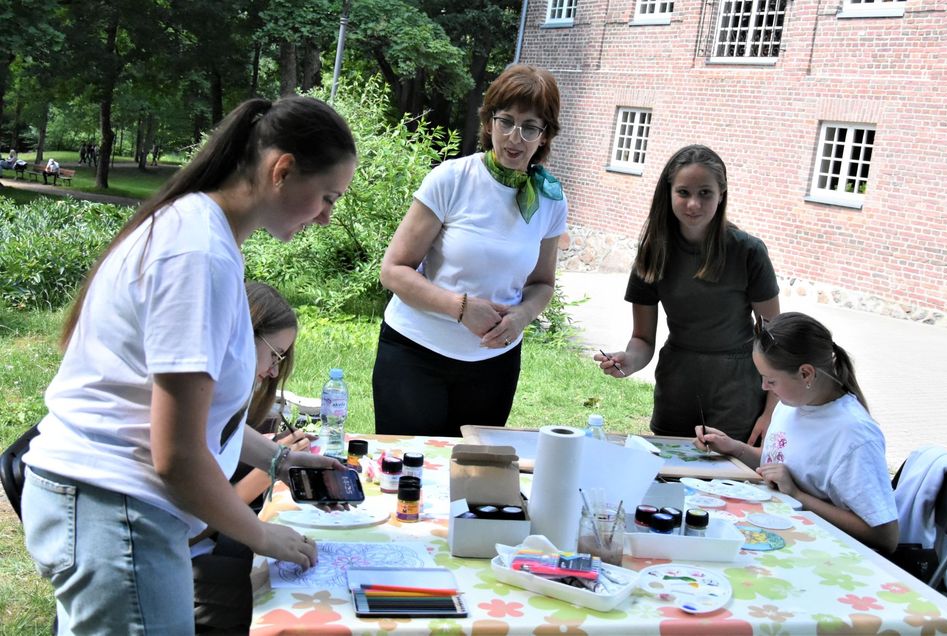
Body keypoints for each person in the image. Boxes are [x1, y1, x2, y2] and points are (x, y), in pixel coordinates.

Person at [21, 95, 357, 634]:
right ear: (282, 170)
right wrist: (261, 534)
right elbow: (176, 454)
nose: (326, 216)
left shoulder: (202, 234)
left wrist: (281, 461)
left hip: (112, 511)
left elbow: (201, 420)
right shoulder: (197, 253)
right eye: (326, 197)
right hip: (117, 513)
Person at [373, 63, 568, 437]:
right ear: (489, 122)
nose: (514, 137)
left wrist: (522, 316)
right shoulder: (451, 179)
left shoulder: (550, 200)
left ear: (545, 136)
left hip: (494, 364)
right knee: (411, 468)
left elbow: (542, 283)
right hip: (415, 354)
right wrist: (461, 308)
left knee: (472, 469)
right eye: (506, 121)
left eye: (530, 127)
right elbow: (393, 271)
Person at [595, 144, 779, 443]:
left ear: (721, 194)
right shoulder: (653, 252)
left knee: (729, 470)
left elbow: (775, 341)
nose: (694, 204)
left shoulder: (748, 252)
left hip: (738, 390)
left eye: (705, 193)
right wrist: (629, 360)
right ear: (669, 193)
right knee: (672, 467)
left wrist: (771, 412)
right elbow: (642, 339)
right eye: (683, 192)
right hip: (677, 385)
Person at [695, 311, 899, 554]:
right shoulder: (792, 404)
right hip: (776, 535)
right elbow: (778, 464)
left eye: (771, 380)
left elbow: (885, 535)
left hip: (823, 554)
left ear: (805, 374)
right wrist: (734, 448)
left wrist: (798, 495)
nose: (764, 387)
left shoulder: (854, 436)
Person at [191, 281, 312, 633]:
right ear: (243, 335)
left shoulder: (213, 400)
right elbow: (193, 527)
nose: (274, 371)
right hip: (183, 560)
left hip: (201, 547)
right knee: (280, 591)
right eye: (275, 355)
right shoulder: (191, 403)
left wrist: (280, 461)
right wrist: (261, 528)